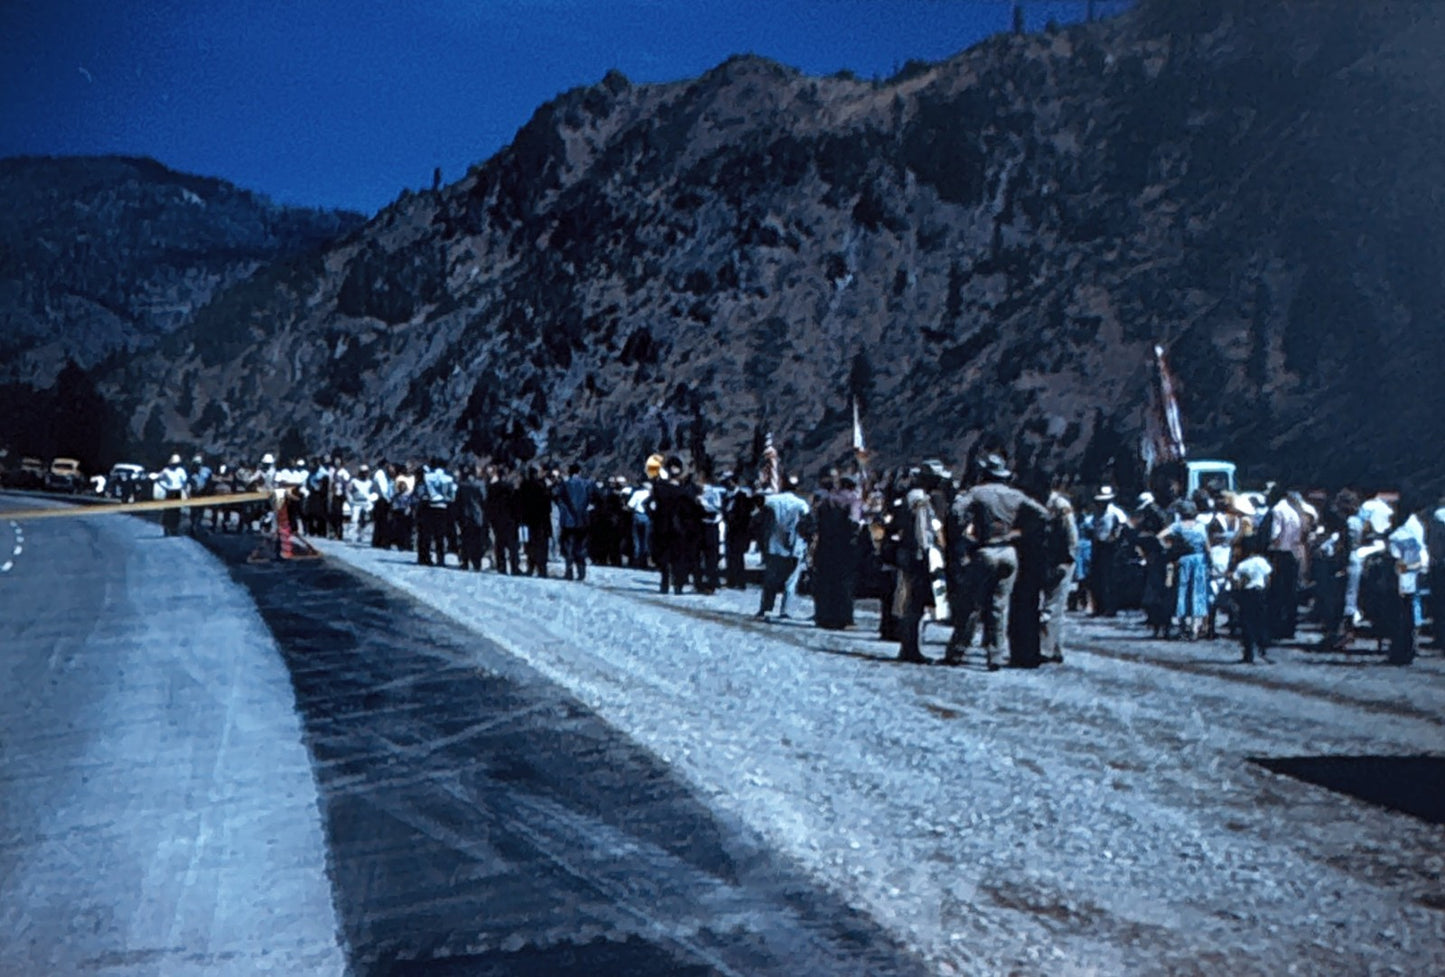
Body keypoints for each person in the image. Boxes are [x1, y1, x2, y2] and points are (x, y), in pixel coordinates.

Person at [943, 453, 1050, 669]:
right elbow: (1043, 514)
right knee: (999, 606)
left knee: (972, 604)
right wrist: (1020, 532)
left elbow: (955, 511)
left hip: (985, 549)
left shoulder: (977, 492)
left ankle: (957, 651)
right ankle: (996, 655)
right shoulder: (1015, 495)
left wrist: (964, 534)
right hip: (1008, 551)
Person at [755, 475, 811, 620]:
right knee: (791, 580)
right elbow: (807, 523)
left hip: (775, 543)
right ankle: (785, 610)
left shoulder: (774, 500)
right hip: (795, 544)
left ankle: (766, 608)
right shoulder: (801, 504)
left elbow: (759, 502)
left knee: (771, 579)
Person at [893, 474, 936, 663]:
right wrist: (924, 552)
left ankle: (908, 646)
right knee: (915, 602)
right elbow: (921, 528)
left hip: (907, 552)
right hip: (916, 554)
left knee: (908, 600)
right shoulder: (919, 498)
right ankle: (911, 648)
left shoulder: (910, 496)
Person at [1386, 495, 1429, 666]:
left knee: (1404, 613)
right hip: (1407, 572)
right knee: (1406, 611)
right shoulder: (1412, 525)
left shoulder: (1407, 529)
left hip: (1405, 573)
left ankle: (1403, 649)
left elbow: (1406, 558)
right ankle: (1404, 647)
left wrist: (1402, 571)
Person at [1039, 478, 1079, 663]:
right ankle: (1055, 649)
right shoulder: (1041, 503)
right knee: (1052, 607)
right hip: (1047, 561)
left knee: (1053, 607)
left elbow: (1071, 535)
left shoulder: (1060, 505)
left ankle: (1046, 650)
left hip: (1061, 561)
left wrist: (1067, 560)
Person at [1159, 500, 1211, 640]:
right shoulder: (1201, 526)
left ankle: (1183, 626)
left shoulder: (1178, 526)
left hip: (1184, 560)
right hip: (1199, 560)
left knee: (1182, 591)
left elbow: (1160, 536)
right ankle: (1194, 628)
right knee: (1198, 591)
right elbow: (1207, 547)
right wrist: (1210, 562)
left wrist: (1169, 547)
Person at [1263, 484, 1303, 641]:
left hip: (1279, 554)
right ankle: (1290, 627)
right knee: (1291, 592)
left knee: (1277, 593)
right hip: (1292, 552)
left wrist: (1269, 548)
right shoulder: (1294, 511)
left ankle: (1276, 627)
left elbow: (1275, 534)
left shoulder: (1277, 510)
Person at [1232, 536, 1273, 663]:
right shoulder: (1262, 561)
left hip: (1247, 593)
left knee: (1246, 623)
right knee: (1261, 620)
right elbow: (1268, 577)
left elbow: (1237, 582)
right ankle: (1262, 648)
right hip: (1260, 592)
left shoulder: (1242, 565)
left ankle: (1248, 653)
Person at [554, 462, 597, 581]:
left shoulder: (565, 484)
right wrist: (590, 507)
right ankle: (581, 571)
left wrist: (563, 509)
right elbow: (598, 497)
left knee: (568, 546)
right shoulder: (588, 484)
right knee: (581, 546)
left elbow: (556, 497)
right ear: (579, 472)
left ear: (569, 472)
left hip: (568, 520)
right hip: (583, 519)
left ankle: (569, 571)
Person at [1088, 486, 1127, 616]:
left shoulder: (1115, 512)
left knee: (1110, 578)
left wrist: (1115, 536)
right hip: (1098, 545)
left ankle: (1111, 607)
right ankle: (1098, 607)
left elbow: (1122, 524)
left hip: (1111, 547)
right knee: (1097, 577)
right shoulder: (1096, 512)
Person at [415, 458, 457, 566]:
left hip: (429, 506)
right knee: (440, 535)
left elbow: (421, 492)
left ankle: (425, 557)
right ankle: (440, 558)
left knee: (427, 534)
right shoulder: (449, 477)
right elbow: (453, 494)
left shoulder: (427, 476)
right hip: (443, 506)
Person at [485, 465, 521, 574]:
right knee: (512, 544)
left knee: (499, 543)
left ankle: (501, 566)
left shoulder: (492, 488)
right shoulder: (510, 487)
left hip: (497, 519)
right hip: (510, 518)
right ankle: (514, 566)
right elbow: (515, 504)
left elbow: (489, 504)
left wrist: (490, 518)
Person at [518, 465, 552, 576]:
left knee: (530, 545)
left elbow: (521, 503)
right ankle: (542, 569)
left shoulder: (524, 485)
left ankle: (531, 567)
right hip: (542, 520)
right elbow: (547, 504)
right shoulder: (542, 486)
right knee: (541, 545)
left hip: (529, 519)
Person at [722, 472, 754, 589]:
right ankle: (731, 580)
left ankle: (740, 581)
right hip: (730, 529)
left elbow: (745, 514)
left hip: (739, 530)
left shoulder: (742, 497)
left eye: (730, 482)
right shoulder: (726, 497)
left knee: (738, 556)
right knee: (729, 555)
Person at [454, 464, 488, 571]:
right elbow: (484, 499)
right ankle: (477, 563)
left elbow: (457, 502)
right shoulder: (480, 485)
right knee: (477, 540)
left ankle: (465, 561)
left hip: (464, 515)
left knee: (465, 539)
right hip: (477, 515)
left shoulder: (462, 485)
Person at [156, 454, 189, 537]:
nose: (174, 465)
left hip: (177, 492)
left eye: (176, 464)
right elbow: (159, 478)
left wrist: (184, 489)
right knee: (168, 511)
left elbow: (185, 481)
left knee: (176, 512)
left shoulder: (181, 471)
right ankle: (166, 529)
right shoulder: (166, 471)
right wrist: (164, 487)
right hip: (169, 492)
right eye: (173, 464)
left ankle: (174, 529)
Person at [187, 453, 213, 534]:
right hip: (194, 492)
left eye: (198, 464)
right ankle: (192, 525)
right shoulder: (191, 472)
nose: (196, 466)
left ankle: (198, 524)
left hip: (203, 492)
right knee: (193, 510)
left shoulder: (207, 471)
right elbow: (189, 482)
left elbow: (209, 481)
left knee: (201, 510)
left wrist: (208, 490)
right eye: (195, 464)